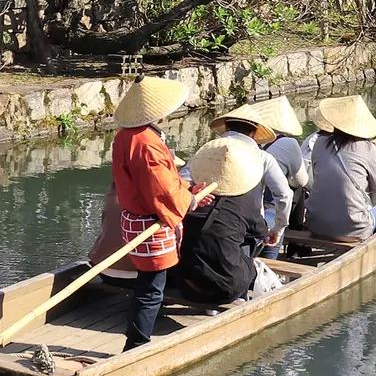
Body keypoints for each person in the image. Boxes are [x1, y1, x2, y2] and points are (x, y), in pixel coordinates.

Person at [109, 77, 198, 351]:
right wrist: (188, 199)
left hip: (134, 217)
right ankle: (137, 344)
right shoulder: (146, 142)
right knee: (151, 288)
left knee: (150, 284)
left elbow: (165, 182)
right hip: (149, 222)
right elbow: (161, 189)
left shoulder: (125, 136)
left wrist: (187, 190)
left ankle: (139, 335)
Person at [176, 136, 283, 307]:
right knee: (250, 261)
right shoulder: (244, 203)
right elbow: (261, 232)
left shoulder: (191, 199)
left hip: (185, 284)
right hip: (226, 289)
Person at [218, 96, 305, 258]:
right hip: (250, 224)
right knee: (294, 195)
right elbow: (287, 194)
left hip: (215, 220)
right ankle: (271, 263)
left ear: (226, 128)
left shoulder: (210, 152)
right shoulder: (262, 157)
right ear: (254, 132)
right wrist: (278, 229)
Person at [305, 94, 376, 244]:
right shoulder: (368, 148)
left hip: (315, 224)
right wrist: (368, 205)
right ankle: (375, 251)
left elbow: (318, 178)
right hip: (355, 229)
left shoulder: (319, 143)